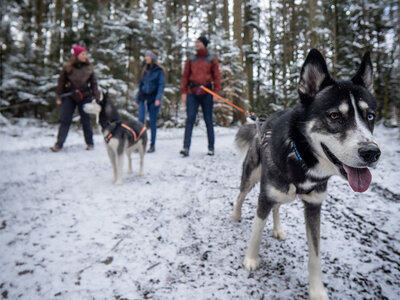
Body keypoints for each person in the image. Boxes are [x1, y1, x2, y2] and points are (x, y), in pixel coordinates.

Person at [50, 45, 100, 152]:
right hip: (70, 96)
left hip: (85, 96)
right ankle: (59, 144)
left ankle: (90, 143)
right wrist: (59, 95)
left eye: (85, 54)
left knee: (86, 120)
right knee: (65, 119)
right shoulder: (68, 68)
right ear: (76, 55)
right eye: (82, 54)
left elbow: (94, 83)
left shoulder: (89, 68)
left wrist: (96, 96)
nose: (85, 56)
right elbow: (61, 82)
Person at [180, 36, 221, 157]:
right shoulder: (191, 59)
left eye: (199, 42)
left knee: (208, 120)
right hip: (192, 92)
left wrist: (216, 92)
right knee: (190, 119)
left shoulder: (212, 59)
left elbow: (217, 77)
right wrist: (183, 92)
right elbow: (185, 76)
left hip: (207, 93)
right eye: (196, 42)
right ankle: (186, 147)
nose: (196, 44)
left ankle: (211, 147)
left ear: (204, 44)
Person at [136, 50, 166, 153]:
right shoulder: (145, 70)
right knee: (140, 121)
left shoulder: (159, 71)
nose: (145, 58)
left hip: (154, 100)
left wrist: (158, 98)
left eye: (147, 56)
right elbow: (140, 86)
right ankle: (139, 143)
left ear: (152, 58)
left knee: (152, 122)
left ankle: (152, 145)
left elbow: (161, 85)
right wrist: (137, 99)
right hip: (143, 98)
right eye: (145, 56)